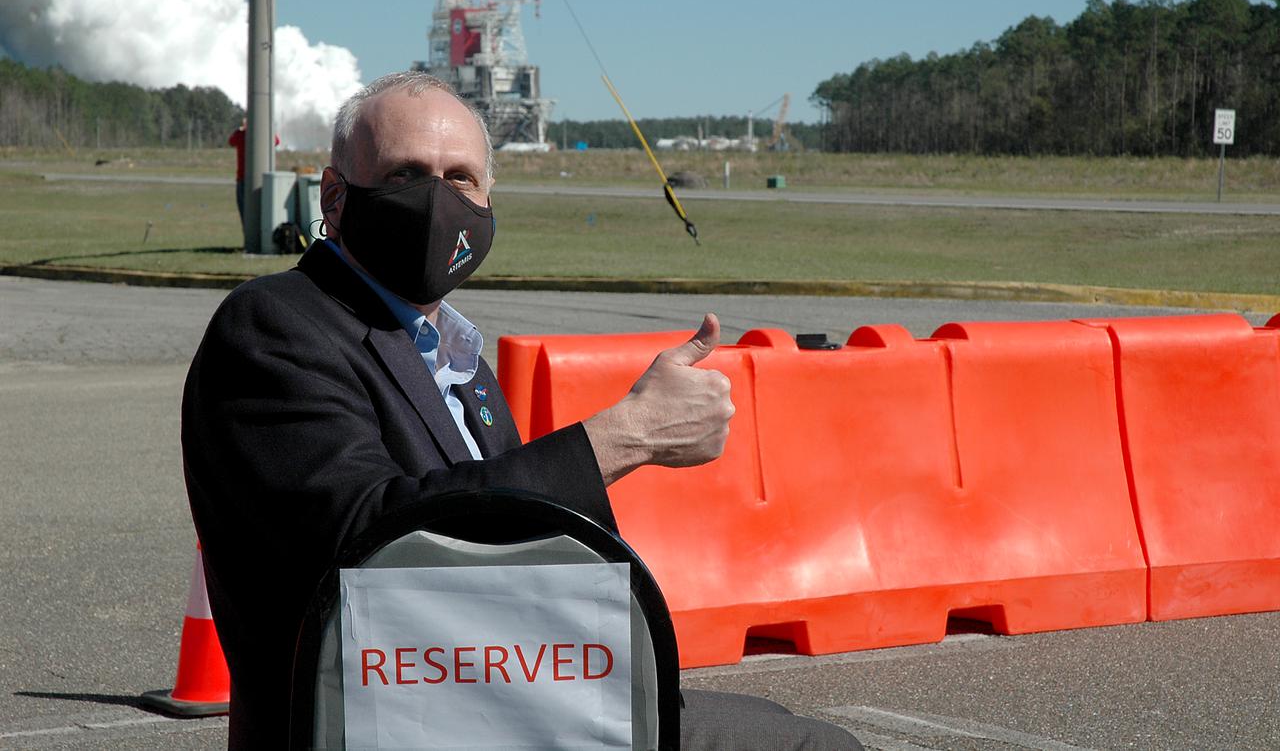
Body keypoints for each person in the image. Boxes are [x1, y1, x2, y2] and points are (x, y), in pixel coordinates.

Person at [184, 71, 862, 749]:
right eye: (406, 174)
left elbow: (519, 548)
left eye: (460, 179)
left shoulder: (459, 361)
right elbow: (368, 537)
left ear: (487, 202)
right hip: (392, 723)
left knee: (783, 725)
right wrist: (623, 435)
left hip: (507, 696)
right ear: (335, 197)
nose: (436, 201)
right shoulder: (275, 326)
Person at [227, 117, 279, 224]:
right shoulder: (262, 135)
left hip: (242, 178)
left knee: (244, 212)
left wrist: (240, 129)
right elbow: (276, 141)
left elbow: (231, 141)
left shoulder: (240, 135)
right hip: (259, 180)